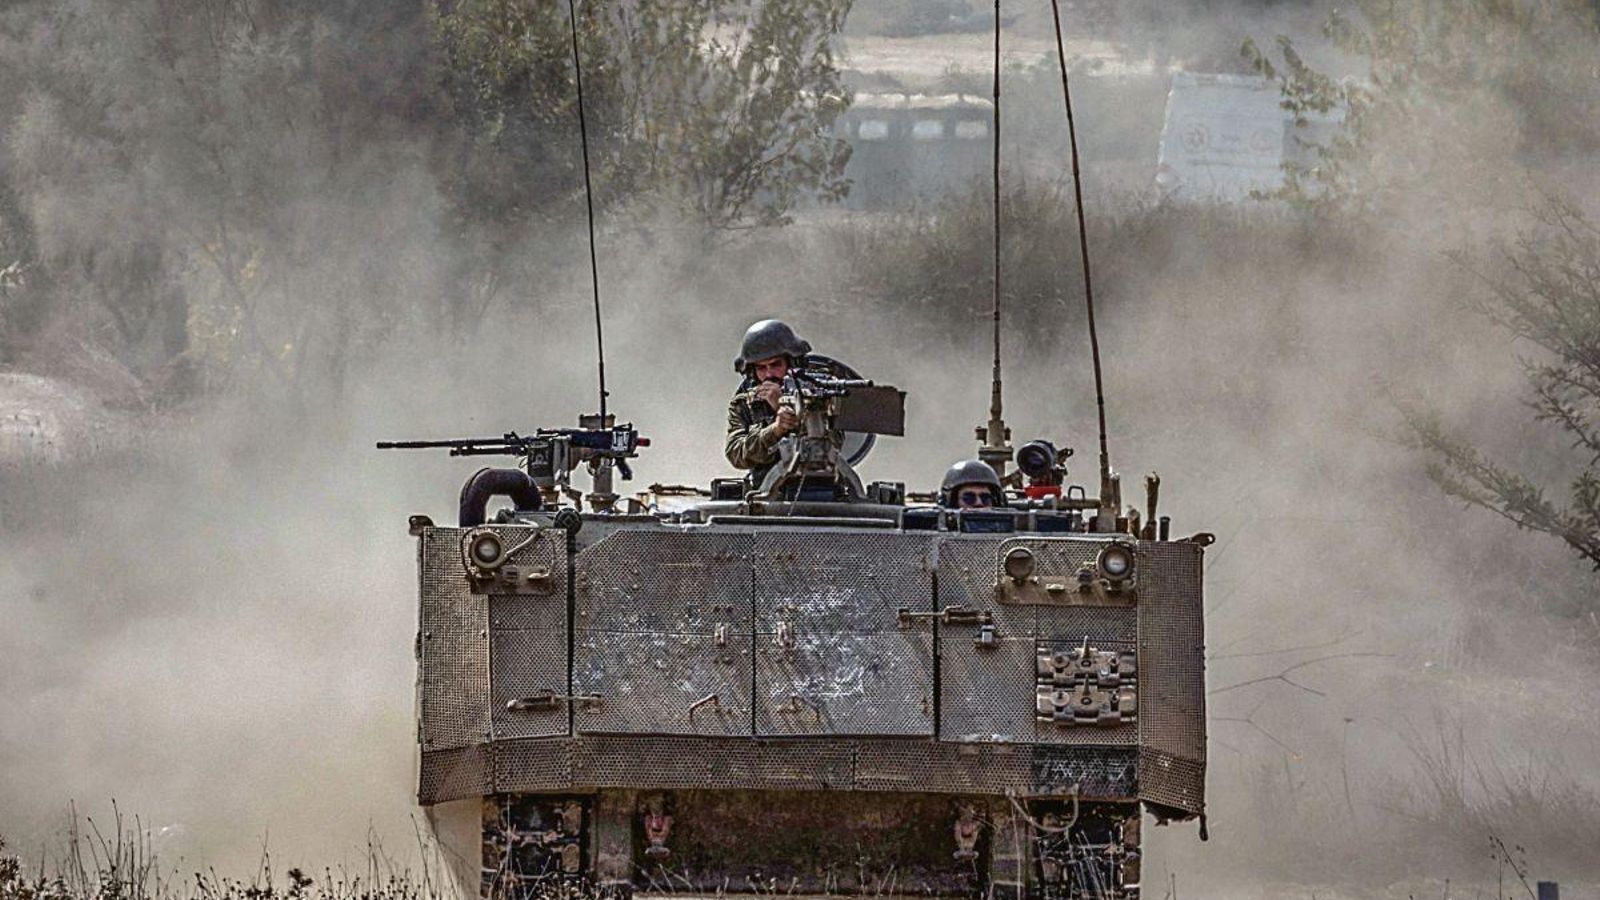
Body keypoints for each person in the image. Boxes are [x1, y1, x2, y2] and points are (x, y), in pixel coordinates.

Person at [725, 320, 811, 483]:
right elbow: (735, 453)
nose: (769, 374)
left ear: (791, 363)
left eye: (775, 365)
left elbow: (835, 443)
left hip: (822, 486)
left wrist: (788, 408)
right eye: (761, 368)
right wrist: (775, 430)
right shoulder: (745, 403)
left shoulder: (816, 393)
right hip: (768, 490)